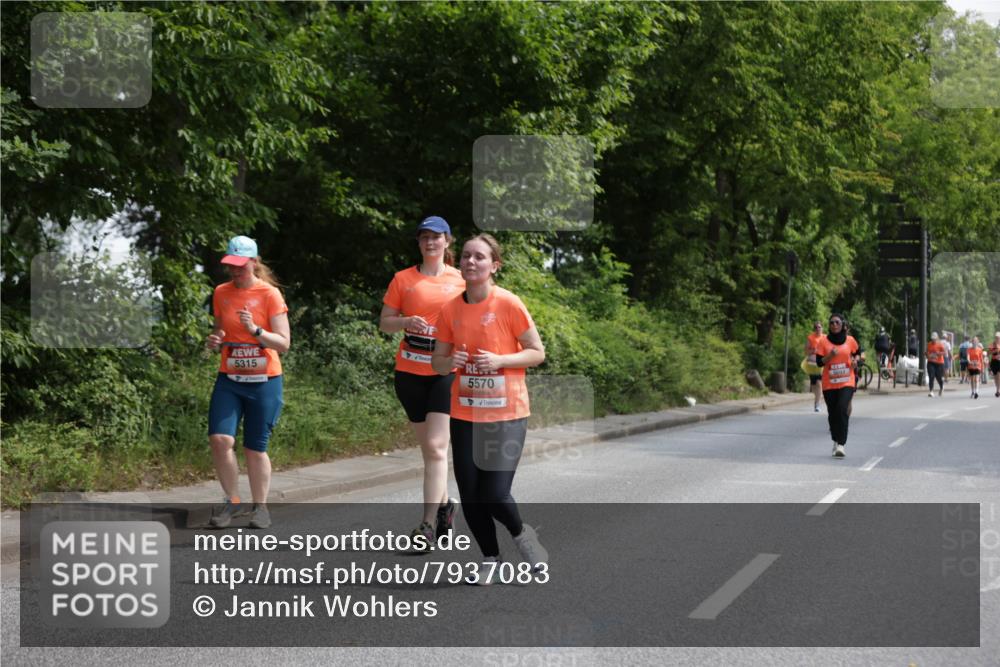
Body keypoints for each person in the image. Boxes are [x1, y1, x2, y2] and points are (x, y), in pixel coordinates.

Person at [431, 233, 548, 584]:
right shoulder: (450, 309)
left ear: (494, 265)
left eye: (479, 257)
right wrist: (451, 361)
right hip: (465, 413)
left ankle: (523, 537)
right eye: (466, 256)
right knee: (470, 496)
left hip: (506, 414)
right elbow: (437, 362)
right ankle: (490, 558)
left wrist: (500, 360)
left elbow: (537, 352)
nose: (471, 261)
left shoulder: (509, 303)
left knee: (494, 493)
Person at [379, 216, 465, 547]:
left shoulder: (460, 280)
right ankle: (445, 507)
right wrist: (405, 321)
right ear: (419, 243)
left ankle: (427, 526)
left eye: (436, 237)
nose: (430, 242)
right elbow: (385, 323)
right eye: (424, 237)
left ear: (447, 241)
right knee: (429, 451)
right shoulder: (403, 279)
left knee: (436, 446)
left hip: (445, 372)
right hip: (409, 373)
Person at [205, 236, 290, 529]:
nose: (235, 270)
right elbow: (220, 329)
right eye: (231, 265)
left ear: (254, 262)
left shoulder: (270, 294)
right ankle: (232, 501)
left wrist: (255, 330)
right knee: (220, 439)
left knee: (255, 447)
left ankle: (260, 507)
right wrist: (215, 339)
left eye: (241, 265)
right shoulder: (221, 292)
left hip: (265, 380)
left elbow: (284, 343)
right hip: (230, 378)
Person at [815, 314, 863, 458]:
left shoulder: (850, 340)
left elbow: (858, 353)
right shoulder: (823, 341)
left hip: (847, 381)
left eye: (837, 322)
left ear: (842, 324)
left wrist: (856, 361)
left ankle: (841, 444)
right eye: (831, 323)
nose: (834, 325)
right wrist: (830, 356)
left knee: (842, 408)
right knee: (833, 413)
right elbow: (819, 362)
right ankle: (835, 439)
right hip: (829, 383)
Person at [804, 321, 824, 413]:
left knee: (819, 383)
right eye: (816, 327)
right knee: (814, 385)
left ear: (822, 328)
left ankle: (817, 404)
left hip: (822, 363)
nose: (818, 329)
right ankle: (817, 398)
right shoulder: (810, 338)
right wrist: (813, 351)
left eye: (819, 327)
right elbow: (806, 351)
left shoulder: (825, 338)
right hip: (812, 363)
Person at [926, 331, 946, 397]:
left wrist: (938, 353)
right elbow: (927, 352)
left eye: (934, 339)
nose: (933, 340)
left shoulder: (940, 344)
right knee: (931, 376)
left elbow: (944, 352)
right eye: (932, 339)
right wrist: (928, 355)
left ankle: (941, 387)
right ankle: (931, 391)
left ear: (937, 338)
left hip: (939, 363)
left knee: (939, 377)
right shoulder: (929, 344)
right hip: (931, 362)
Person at [989, 332, 1000, 398]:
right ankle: (997, 388)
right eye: (996, 337)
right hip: (994, 362)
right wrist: (995, 351)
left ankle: (998, 390)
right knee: (995, 377)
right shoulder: (992, 344)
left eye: (998, 337)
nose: (997, 338)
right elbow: (989, 352)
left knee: (999, 375)